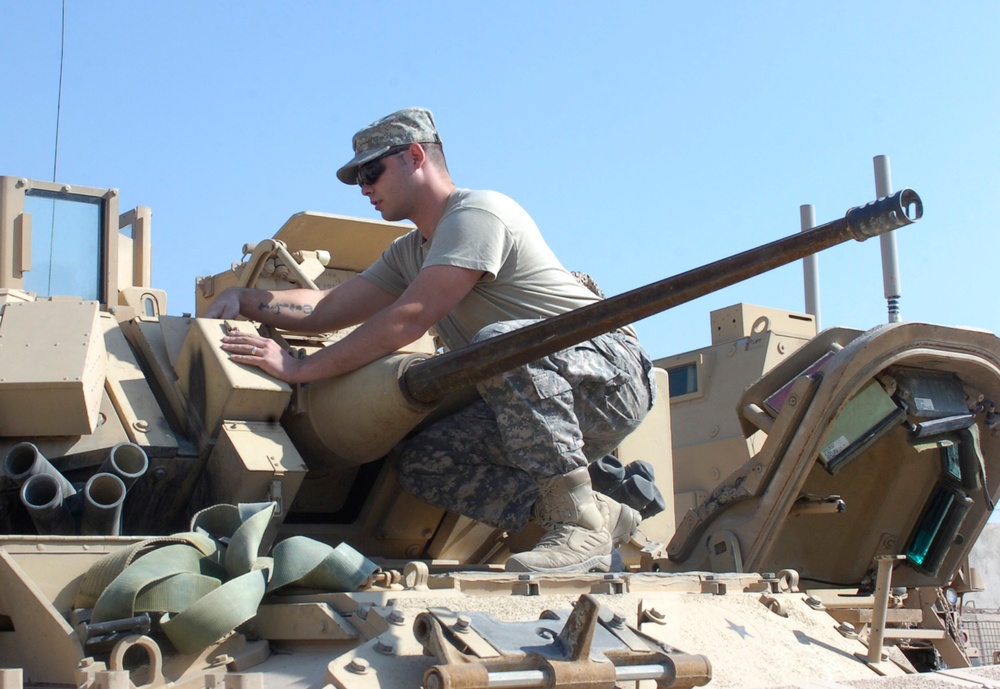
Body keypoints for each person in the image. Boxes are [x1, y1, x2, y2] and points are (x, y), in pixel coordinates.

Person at [206, 107, 657, 573]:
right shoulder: (411, 252)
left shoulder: (478, 213)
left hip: (608, 375)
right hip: (536, 393)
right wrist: (243, 298)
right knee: (426, 463)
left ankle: (578, 528)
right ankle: (600, 514)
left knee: (497, 343)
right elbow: (327, 308)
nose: (364, 188)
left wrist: (299, 368)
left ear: (415, 156)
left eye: (371, 171)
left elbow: (410, 318)